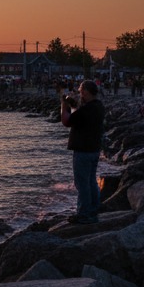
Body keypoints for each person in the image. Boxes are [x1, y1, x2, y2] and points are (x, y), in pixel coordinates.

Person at [60, 80, 105, 224]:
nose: (80, 93)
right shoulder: (98, 106)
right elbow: (79, 116)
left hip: (83, 151)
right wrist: (73, 105)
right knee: (91, 181)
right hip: (94, 149)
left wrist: (64, 106)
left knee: (82, 184)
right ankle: (93, 210)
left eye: (80, 91)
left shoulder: (86, 110)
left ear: (85, 91)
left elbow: (66, 121)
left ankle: (83, 214)